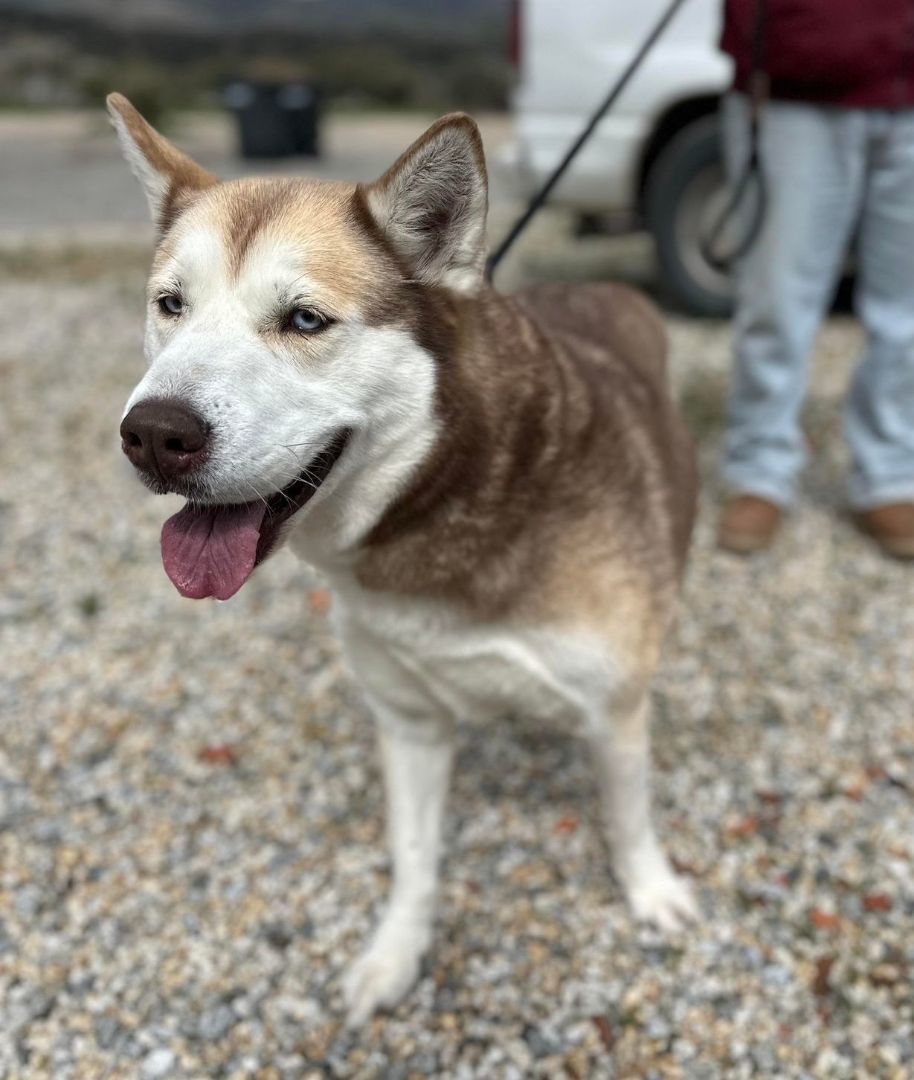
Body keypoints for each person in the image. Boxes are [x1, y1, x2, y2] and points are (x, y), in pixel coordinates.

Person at [716, 0, 914, 557]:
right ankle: (759, 467)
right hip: (795, 77)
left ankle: (893, 469)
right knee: (775, 299)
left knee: (907, 309)